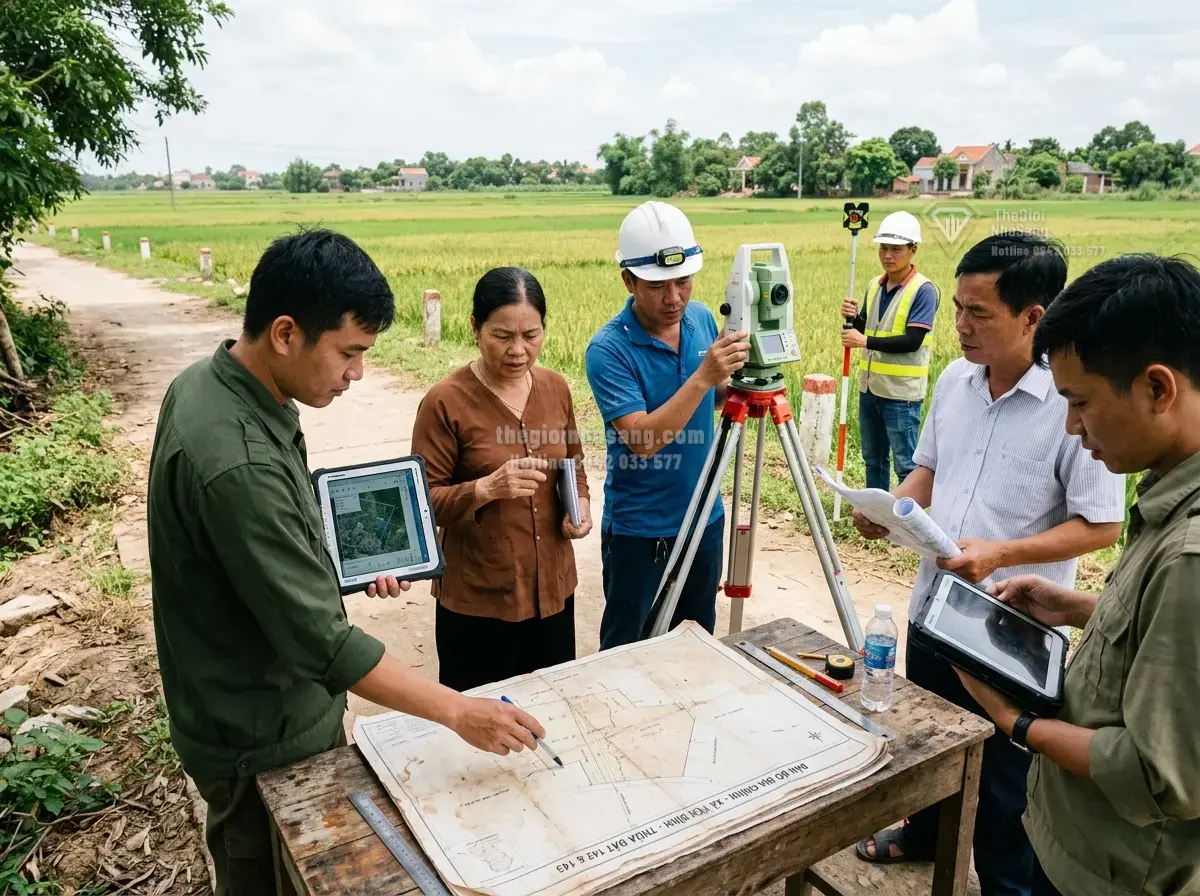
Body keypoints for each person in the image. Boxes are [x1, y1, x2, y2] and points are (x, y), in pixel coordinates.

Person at [146, 230, 547, 896]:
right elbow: (323, 646)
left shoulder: (215, 385)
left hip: (253, 701)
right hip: (259, 732)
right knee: (271, 877)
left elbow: (261, 540)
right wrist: (457, 711)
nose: (356, 374)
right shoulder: (234, 459)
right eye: (349, 352)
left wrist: (341, 555)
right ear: (284, 333)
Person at [852, 232, 1127, 896]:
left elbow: (1102, 524)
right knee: (925, 744)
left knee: (1007, 787)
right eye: (957, 308)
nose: (960, 326)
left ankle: (1005, 883)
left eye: (979, 313)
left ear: (1034, 317)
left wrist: (1004, 553)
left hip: (1009, 632)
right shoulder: (953, 380)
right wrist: (892, 507)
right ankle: (924, 834)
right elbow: (929, 469)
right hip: (932, 608)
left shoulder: (1074, 404)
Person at [958, 253, 1200, 896]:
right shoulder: (1173, 492)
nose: (1071, 427)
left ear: (1158, 388)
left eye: (1081, 402)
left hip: (1114, 872)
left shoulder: (1191, 554)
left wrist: (1015, 723)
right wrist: (1082, 607)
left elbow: (1156, 774)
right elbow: (1168, 636)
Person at [411, 267, 591, 692]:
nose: (518, 350)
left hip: (552, 594)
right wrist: (487, 488)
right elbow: (420, 500)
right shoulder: (445, 402)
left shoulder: (556, 389)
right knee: (478, 728)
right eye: (502, 336)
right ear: (475, 328)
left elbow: (574, 462)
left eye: (531, 335)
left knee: (552, 710)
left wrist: (578, 509)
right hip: (478, 602)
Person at [584, 200, 750, 649]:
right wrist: (704, 377)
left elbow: (709, 401)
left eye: (684, 281)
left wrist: (732, 377)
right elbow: (641, 440)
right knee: (628, 649)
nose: (674, 298)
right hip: (641, 531)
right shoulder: (609, 349)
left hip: (703, 517)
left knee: (695, 643)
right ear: (629, 280)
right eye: (658, 286)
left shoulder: (698, 319)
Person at [840, 210, 941, 491]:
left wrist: (865, 342)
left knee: (905, 464)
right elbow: (865, 326)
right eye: (883, 248)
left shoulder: (924, 290)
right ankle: (877, 515)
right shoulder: (875, 284)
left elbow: (912, 340)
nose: (888, 255)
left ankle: (906, 523)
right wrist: (851, 317)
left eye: (896, 249)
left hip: (901, 395)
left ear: (913, 250)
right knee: (873, 459)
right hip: (870, 389)